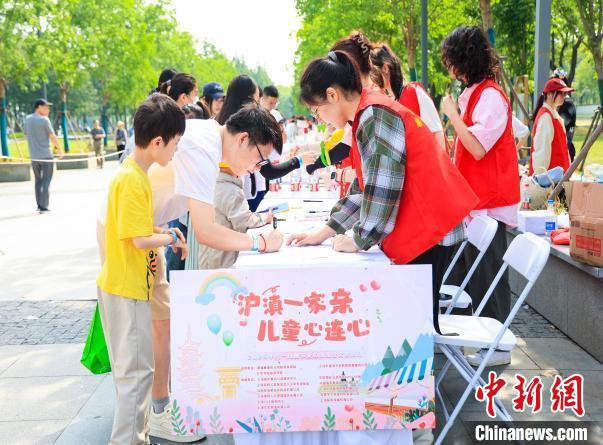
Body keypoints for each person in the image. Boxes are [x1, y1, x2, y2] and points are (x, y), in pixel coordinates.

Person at [281, 48, 477, 445]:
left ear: (333, 94)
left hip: (430, 230)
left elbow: (384, 186)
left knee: (413, 330)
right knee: (410, 327)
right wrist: (328, 229)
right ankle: (408, 418)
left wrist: (359, 239)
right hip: (425, 227)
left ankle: (417, 426)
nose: (320, 118)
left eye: (318, 109)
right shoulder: (368, 113)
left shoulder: (374, 115)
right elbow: (366, 184)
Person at [97, 94, 188, 445]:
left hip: (127, 285)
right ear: (158, 141)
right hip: (128, 288)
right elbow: (137, 239)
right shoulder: (134, 179)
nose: (176, 152)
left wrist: (162, 232)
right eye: (175, 143)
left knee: (134, 376)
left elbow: (134, 229)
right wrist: (167, 238)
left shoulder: (132, 173)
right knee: (135, 378)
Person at [440, 26, 521, 366]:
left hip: (490, 202)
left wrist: (452, 117)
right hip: (477, 202)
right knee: (476, 274)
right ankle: (476, 337)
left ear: (463, 60)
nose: (448, 67)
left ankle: (498, 345)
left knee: (489, 276)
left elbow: (476, 147)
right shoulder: (477, 94)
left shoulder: (490, 96)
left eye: (451, 60)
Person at [217, 75, 316, 211]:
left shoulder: (221, 123)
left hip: (233, 194)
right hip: (240, 195)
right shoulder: (242, 126)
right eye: (257, 100)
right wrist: (298, 161)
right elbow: (268, 170)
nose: (257, 105)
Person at [370, 42, 446, 150]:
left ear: (385, 68)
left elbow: (437, 133)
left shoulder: (414, 91)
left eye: (372, 71)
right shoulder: (391, 102)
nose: (371, 77)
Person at [198, 161, 273, 269]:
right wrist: (265, 218)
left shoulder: (212, 184)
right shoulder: (231, 190)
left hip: (211, 256)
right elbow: (244, 221)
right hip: (222, 260)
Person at [24, 98, 63, 213]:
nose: (48, 110)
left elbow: (26, 135)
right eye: (46, 107)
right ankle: (44, 206)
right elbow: (52, 136)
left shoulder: (27, 119)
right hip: (46, 156)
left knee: (38, 181)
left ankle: (39, 205)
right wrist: (60, 150)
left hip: (34, 156)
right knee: (46, 181)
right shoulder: (44, 120)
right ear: (39, 107)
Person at [529, 77, 575, 175]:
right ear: (550, 94)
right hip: (550, 179)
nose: (564, 96)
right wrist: (540, 178)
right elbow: (542, 152)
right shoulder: (546, 116)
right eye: (561, 93)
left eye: (565, 93)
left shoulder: (552, 114)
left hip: (557, 177)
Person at [554, 69, 578, 161]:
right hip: (561, 149)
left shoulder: (567, 104)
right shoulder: (564, 104)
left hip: (564, 150)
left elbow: (559, 128)